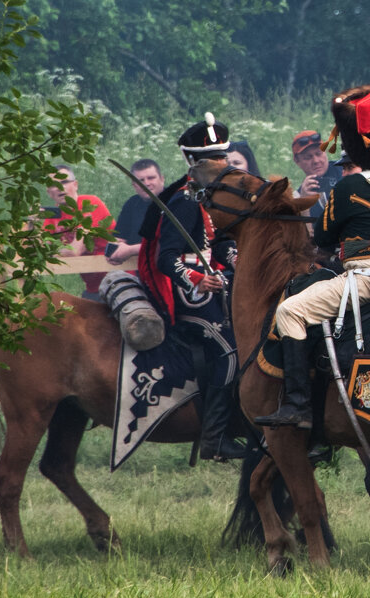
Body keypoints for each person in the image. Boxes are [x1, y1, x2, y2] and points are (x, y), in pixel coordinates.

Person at [256, 84, 370, 429]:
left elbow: (322, 237)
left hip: (364, 280)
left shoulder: (349, 187)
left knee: (289, 311)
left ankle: (298, 406)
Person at [137, 113, 244, 461]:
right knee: (228, 350)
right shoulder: (183, 199)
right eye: (212, 159)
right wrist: (199, 279)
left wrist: (236, 257)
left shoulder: (218, 195)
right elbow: (165, 258)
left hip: (223, 283)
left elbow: (223, 241)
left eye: (222, 156)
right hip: (189, 295)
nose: (221, 163)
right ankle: (215, 437)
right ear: (193, 162)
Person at [42, 164, 114, 299]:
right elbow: (36, 252)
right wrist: (31, 224)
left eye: (64, 182)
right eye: (53, 184)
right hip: (94, 288)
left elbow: (75, 251)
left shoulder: (89, 204)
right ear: (48, 192)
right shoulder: (53, 216)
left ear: (75, 185)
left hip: (118, 281)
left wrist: (53, 253)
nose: (59, 188)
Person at [108, 159, 163, 266]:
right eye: (140, 180)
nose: (146, 183)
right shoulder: (132, 204)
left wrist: (131, 250)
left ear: (162, 179)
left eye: (151, 178)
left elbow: (167, 244)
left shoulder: (175, 202)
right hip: (138, 270)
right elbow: (119, 237)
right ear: (134, 185)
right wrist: (113, 250)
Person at [291, 130, 343, 219]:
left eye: (319, 153)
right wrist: (305, 203)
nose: (316, 161)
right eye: (308, 157)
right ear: (297, 161)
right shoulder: (299, 197)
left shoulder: (345, 169)